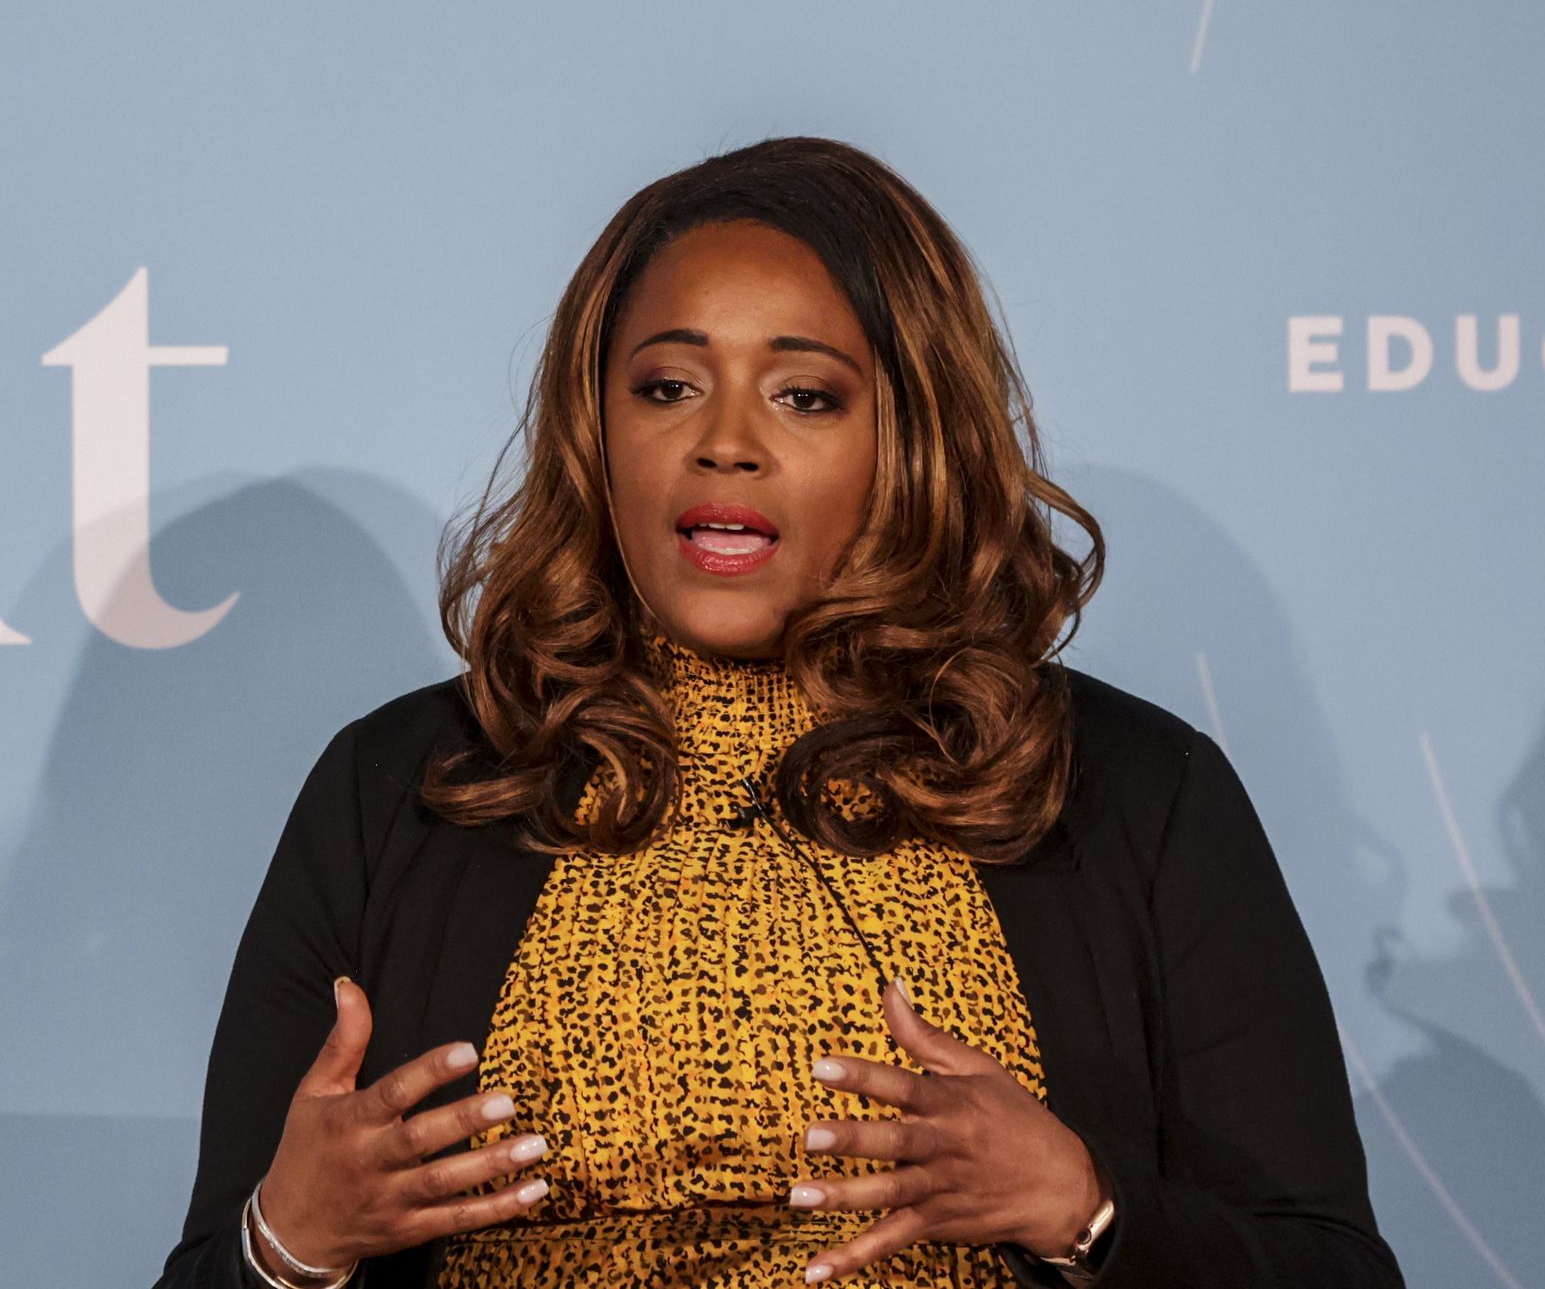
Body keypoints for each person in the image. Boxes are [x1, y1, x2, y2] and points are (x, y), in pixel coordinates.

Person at [153, 137, 1400, 1289]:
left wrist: (1085, 1209)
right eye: (668, 386)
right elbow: (215, 1268)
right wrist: (288, 1242)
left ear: (911, 435)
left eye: (804, 395)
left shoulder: (1126, 790)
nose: (726, 444)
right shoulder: (410, 788)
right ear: (597, 429)